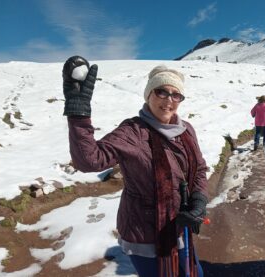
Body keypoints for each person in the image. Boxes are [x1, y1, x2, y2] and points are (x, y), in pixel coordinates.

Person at [62, 56, 208, 277]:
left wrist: (198, 199)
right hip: (146, 234)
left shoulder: (186, 130)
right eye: (161, 92)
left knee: (193, 274)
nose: (169, 100)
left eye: (176, 94)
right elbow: (89, 160)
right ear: (148, 94)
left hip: (180, 226)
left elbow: (199, 169)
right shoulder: (132, 132)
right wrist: (78, 115)